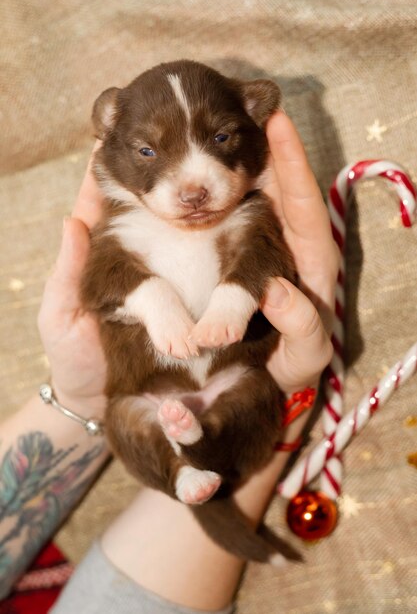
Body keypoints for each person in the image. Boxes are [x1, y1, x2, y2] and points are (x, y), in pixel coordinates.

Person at [0, 111, 339, 613]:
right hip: (157, 399)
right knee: (133, 418)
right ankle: (181, 472)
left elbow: (258, 264)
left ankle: (196, 463)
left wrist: (76, 398)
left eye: (220, 137)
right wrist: (290, 387)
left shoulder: (247, 210)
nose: (191, 186)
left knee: (204, 398)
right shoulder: (126, 223)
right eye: (150, 151)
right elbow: (107, 283)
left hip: (228, 380)